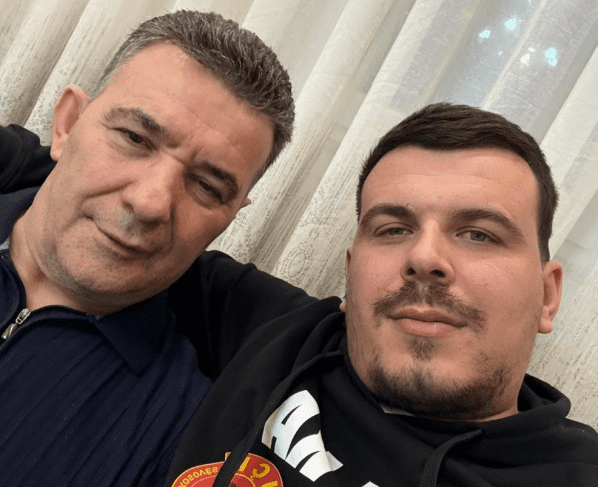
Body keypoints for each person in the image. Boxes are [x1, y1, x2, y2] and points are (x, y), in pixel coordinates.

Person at [159, 103, 597, 486]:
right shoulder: (279, 331)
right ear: (350, 275)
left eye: (478, 235)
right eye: (393, 229)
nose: (424, 257)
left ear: (547, 295)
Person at [0, 10, 294, 487]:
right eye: (135, 139)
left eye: (207, 186)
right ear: (68, 124)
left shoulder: (184, 438)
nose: (151, 202)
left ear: (231, 216)